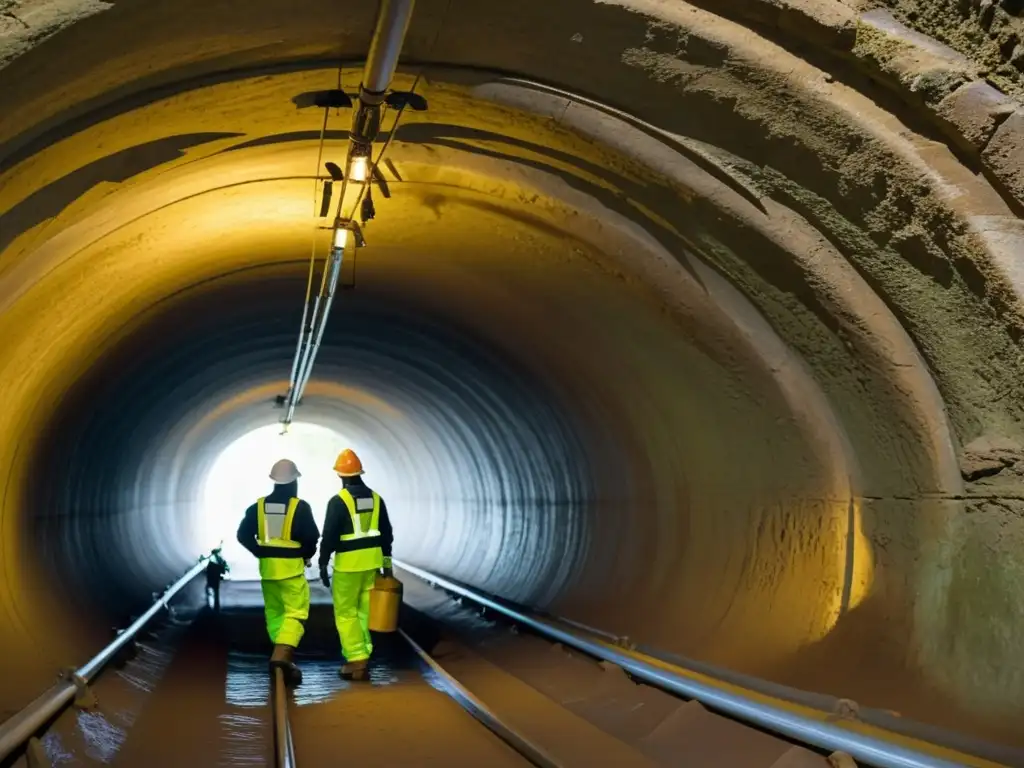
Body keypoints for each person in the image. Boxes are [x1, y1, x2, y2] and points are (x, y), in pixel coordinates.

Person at [237, 458, 319, 687]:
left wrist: (260, 552)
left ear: (274, 481)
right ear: (294, 482)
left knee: (275, 613)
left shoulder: (258, 507)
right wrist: (305, 554)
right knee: (296, 613)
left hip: (268, 571)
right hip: (291, 570)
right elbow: (312, 538)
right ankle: (281, 657)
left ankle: (279, 653)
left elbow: (243, 534)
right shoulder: (300, 507)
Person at [319, 448, 393, 680]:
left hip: (348, 567)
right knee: (364, 611)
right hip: (371, 564)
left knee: (346, 613)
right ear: (360, 472)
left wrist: (322, 563)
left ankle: (356, 659)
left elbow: (329, 535)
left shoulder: (337, 501)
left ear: (340, 475)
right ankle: (364, 654)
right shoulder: (377, 499)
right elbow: (386, 535)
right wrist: (387, 565)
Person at [205, 547, 229, 611]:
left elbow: (221, 570)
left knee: (212, 592)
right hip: (214, 580)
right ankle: (215, 608)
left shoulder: (213, 562)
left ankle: (213, 608)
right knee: (214, 593)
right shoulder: (218, 561)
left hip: (212, 580)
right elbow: (222, 570)